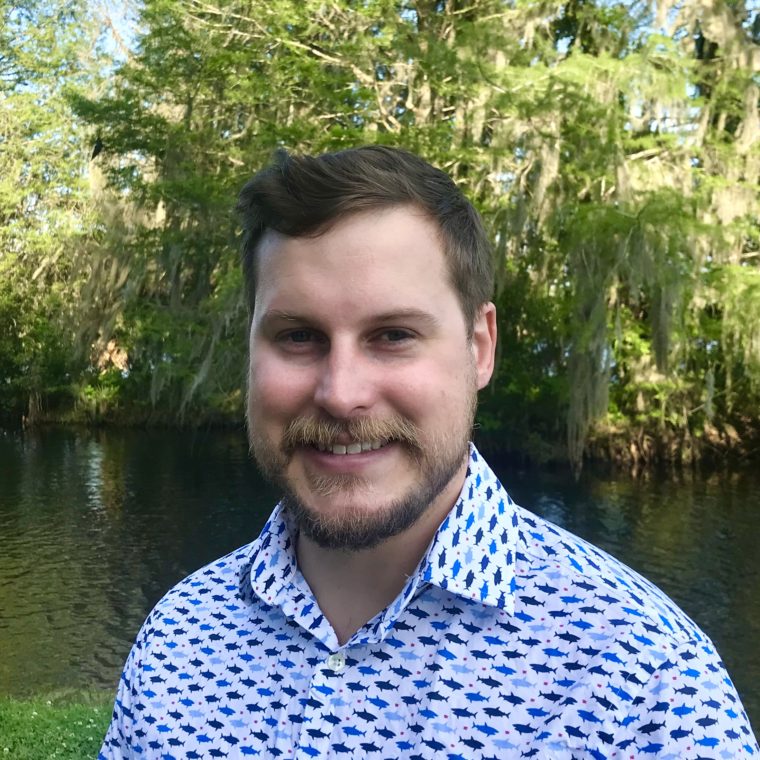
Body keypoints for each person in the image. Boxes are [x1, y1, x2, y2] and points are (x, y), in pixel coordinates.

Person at [100, 146, 758, 759]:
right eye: (298, 336)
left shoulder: (645, 678)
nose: (342, 394)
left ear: (480, 348)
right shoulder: (178, 639)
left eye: (393, 335)